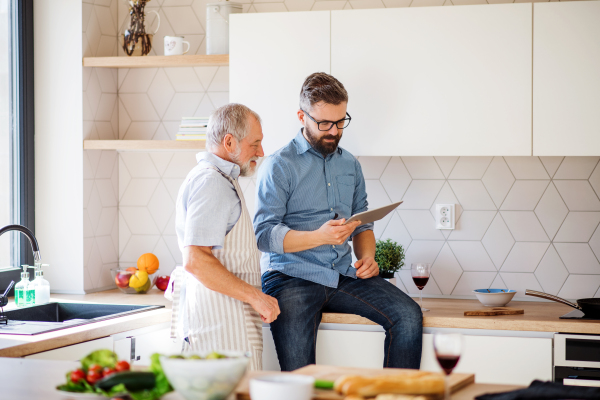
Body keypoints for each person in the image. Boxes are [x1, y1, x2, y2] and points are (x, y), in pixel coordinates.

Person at [254, 73, 423, 371]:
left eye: (340, 121)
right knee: (300, 374)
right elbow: (264, 235)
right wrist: (319, 237)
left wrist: (367, 258)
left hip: (342, 275)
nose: (333, 131)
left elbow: (363, 224)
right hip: (290, 278)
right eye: (324, 124)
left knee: (408, 314)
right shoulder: (278, 165)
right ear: (301, 116)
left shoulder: (350, 164)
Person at [174, 103, 280, 371]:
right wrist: (256, 297)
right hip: (219, 336)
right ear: (229, 142)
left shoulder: (222, 179)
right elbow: (196, 259)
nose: (261, 152)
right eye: (255, 143)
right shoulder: (212, 183)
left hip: (227, 330)